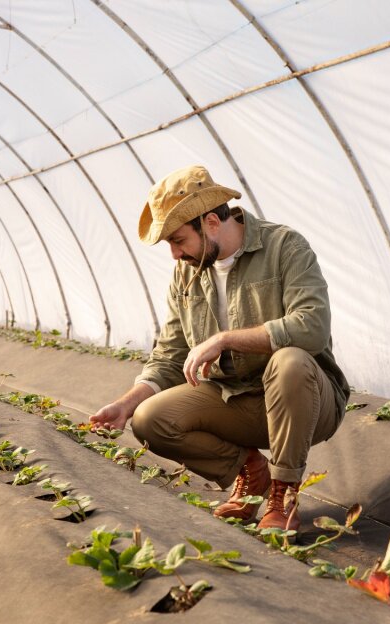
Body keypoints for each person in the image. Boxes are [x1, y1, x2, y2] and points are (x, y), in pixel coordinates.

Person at [90, 165, 349, 532]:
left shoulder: (284, 247)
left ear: (211, 221)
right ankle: (250, 469)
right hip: (237, 401)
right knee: (150, 419)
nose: (175, 255)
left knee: (290, 360)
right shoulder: (186, 273)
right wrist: (124, 406)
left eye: (178, 240)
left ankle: (284, 492)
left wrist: (225, 338)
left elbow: (312, 328)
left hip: (306, 400)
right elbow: (168, 355)